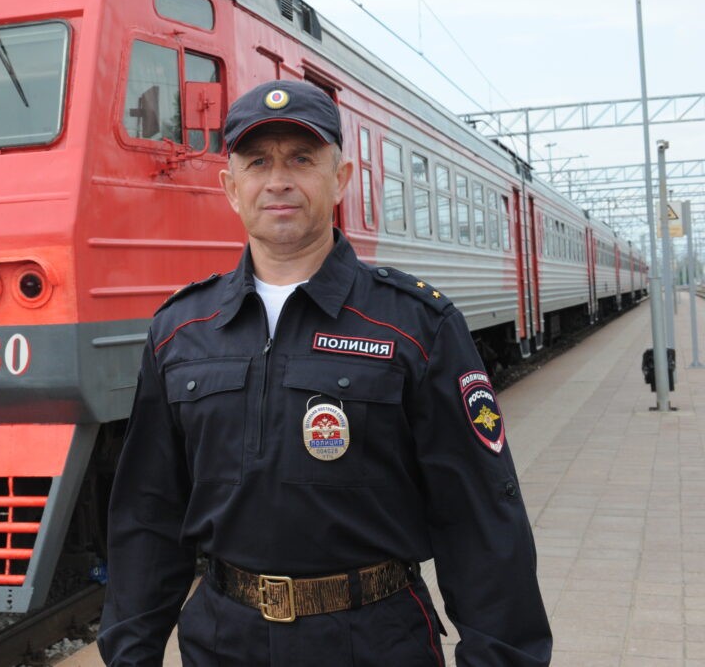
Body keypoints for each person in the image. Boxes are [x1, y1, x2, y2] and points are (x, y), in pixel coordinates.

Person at [97, 80, 552, 666]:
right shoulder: (181, 331)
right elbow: (147, 515)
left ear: (340, 179)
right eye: (257, 162)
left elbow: (482, 519)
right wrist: (131, 657)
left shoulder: (416, 325)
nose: (278, 180)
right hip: (221, 643)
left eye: (302, 159)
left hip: (374, 643)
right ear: (230, 188)